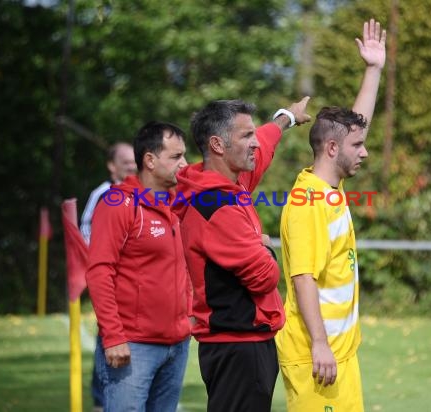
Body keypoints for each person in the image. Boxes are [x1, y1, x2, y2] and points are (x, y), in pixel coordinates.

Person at [274, 19, 386, 412]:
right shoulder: (306, 201)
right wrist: (320, 343)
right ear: (333, 150)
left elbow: (354, 125)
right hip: (315, 357)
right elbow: (303, 276)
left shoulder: (329, 188)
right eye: (359, 145)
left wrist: (373, 70)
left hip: (341, 353)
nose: (365, 151)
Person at [174, 97, 311, 412]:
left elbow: (263, 144)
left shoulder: (228, 183)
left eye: (252, 134)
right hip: (237, 347)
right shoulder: (217, 205)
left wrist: (285, 117)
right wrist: (265, 246)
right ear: (218, 145)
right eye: (244, 136)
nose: (254, 144)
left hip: (242, 343)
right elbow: (265, 277)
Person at [86, 122, 191, 412]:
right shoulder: (117, 203)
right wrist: (114, 336)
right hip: (133, 346)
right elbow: (99, 272)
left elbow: (186, 266)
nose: (184, 164)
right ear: (150, 160)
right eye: (176, 156)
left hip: (178, 346)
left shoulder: (180, 204)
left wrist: (189, 315)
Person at [80, 142, 136, 411]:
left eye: (133, 159)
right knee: (109, 339)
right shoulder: (104, 194)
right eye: (124, 161)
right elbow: (86, 234)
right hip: (112, 284)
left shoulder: (145, 193)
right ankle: (102, 402)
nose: (130, 164)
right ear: (111, 166)